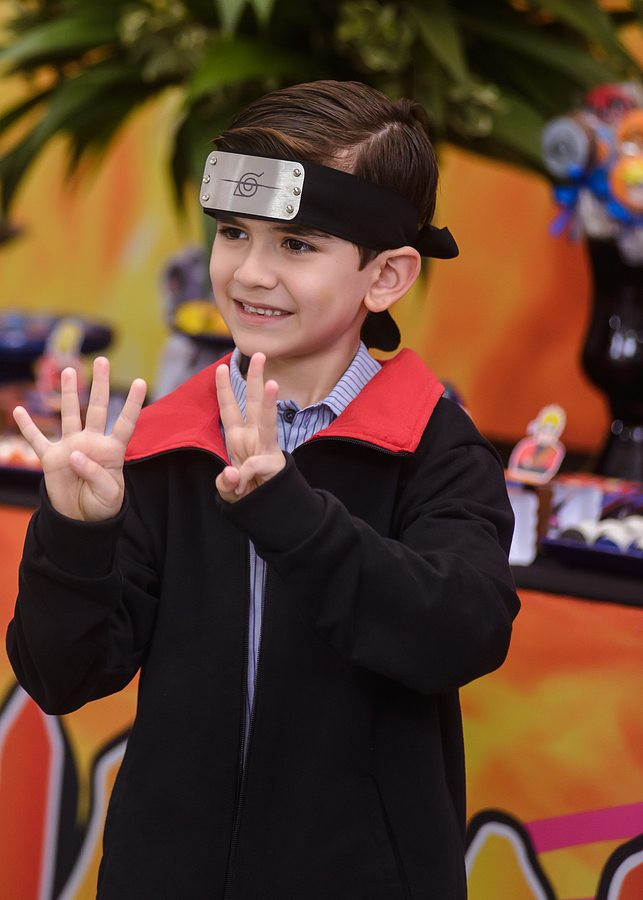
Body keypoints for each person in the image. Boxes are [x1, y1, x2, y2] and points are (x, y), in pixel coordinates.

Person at [7, 80, 519, 899]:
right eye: (233, 233)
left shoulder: (435, 449)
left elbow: (459, 634)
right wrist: (76, 533)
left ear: (386, 276)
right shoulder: (167, 442)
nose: (249, 272)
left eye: (297, 244)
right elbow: (62, 677)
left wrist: (291, 515)